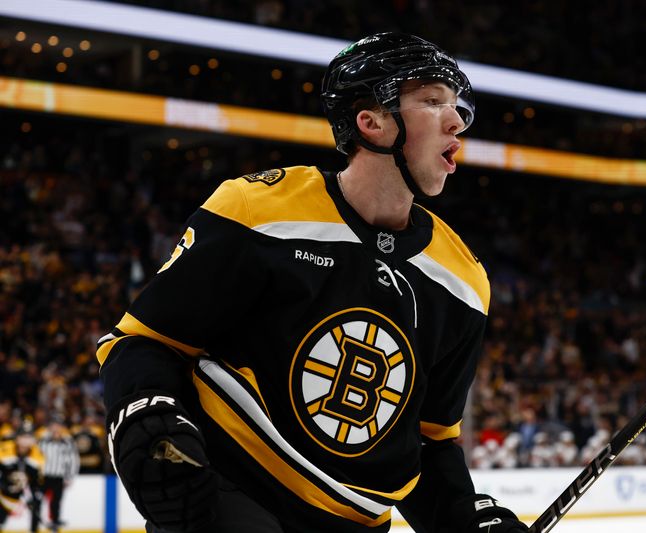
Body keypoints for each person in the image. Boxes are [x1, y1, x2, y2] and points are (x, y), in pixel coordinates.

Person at [97, 32, 527, 533]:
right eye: (432, 101)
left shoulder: (463, 281)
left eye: (456, 104)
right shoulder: (257, 212)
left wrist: (464, 518)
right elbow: (144, 342)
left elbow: (427, 441)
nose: (457, 120)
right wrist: (146, 413)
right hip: (233, 493)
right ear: (372, 122)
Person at [37, 417, 80, 532]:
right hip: (43, 477)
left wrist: (70, 476)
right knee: (38, 499)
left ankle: (54, 522)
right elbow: (36, 458)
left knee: (56, 501)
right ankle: (35, 523)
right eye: (53, 425)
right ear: (50, 427)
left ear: (62, 428)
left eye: (58, 425)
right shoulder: (42, 441)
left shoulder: (68, 442)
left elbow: (74, 460)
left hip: (59, 477)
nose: (55, 428)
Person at [0, 430, 45, 533]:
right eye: (23, 437)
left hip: (25, 490)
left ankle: (34, 529)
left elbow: (37, 480)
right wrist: (4, 486)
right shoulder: (4, 449)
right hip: (5, 491)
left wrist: (34, 494)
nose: (25, 441)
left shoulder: (38, 454)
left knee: (36, 503)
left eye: (28, 437)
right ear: (17, 438)